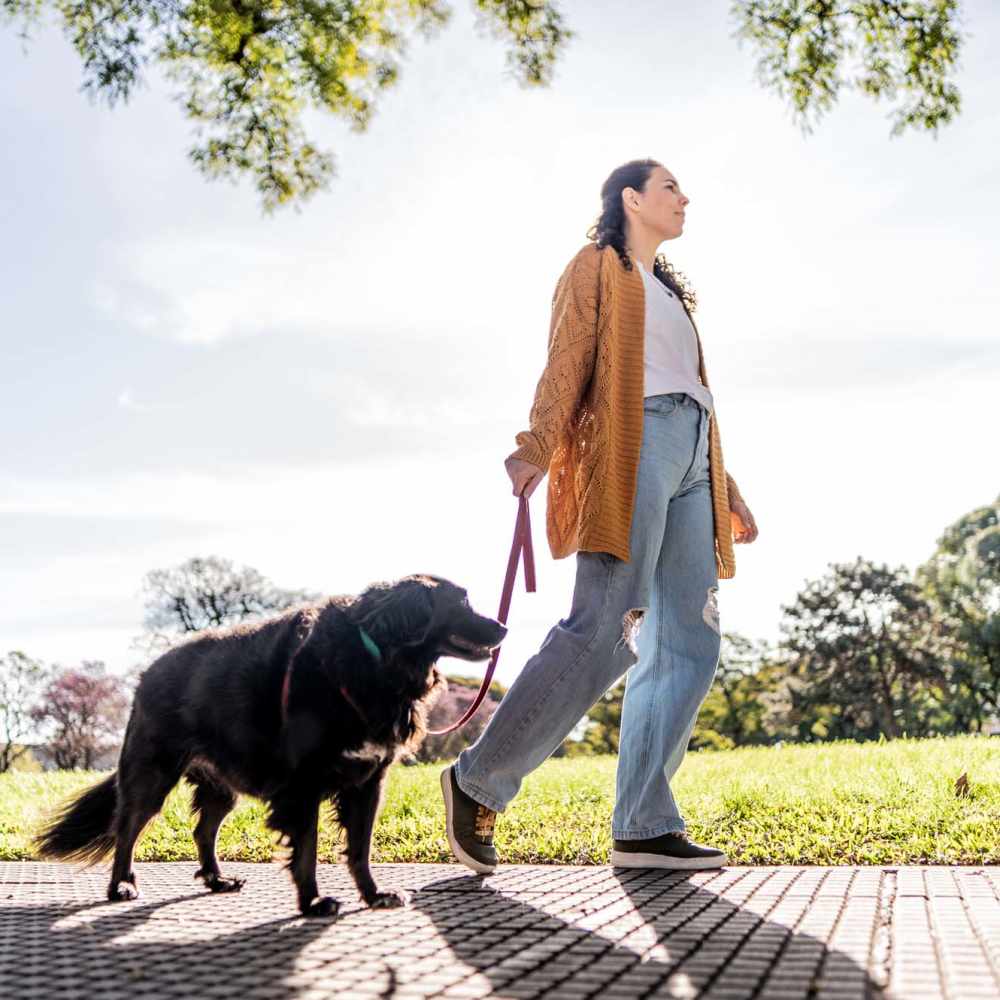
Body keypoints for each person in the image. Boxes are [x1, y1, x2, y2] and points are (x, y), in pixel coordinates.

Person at [440, 158, 759, 872]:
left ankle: (644, 824)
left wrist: (725, 484)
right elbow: (568, 360)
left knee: (691, 641)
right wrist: (536, 446)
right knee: (606, 630)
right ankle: (476, 781)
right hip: (631, 447)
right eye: (670, 186)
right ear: (631, 198)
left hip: (693, 458)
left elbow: (690, 391)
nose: (684, 197)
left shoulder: (672, 295)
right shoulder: (596, 267)